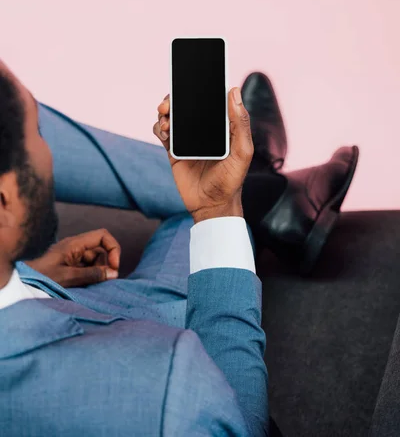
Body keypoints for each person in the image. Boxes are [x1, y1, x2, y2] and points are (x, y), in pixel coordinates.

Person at [0, 60, 358, 436]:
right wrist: (219, 208)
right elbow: (238, 421)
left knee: (197, 223)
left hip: (37, 291)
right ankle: (260, 188)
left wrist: (24, 269)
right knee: (206, 233)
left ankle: (259, 185)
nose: (49, 151)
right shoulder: (168, 397)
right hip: (125, 343)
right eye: (38, 133)